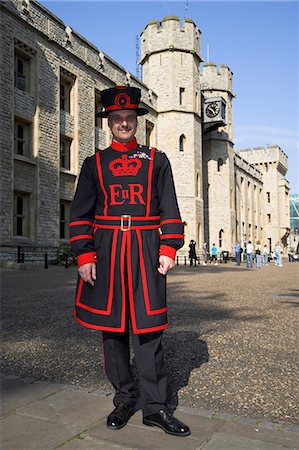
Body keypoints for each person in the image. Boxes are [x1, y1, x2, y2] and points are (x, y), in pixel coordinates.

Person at [69, 86, 190, 437]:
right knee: (113, 329)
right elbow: (80, 213)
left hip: (145, 249)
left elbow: (169, 207)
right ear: (109, 123)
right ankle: (124, 397)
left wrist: (169, 248)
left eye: (129, 118)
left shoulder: (157, 160)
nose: (124, 123)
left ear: (137, 122)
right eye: (117, 118)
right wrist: (85, 254)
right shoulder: (94, 164)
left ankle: (155, 407)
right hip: (106, 252)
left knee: (149, 330)